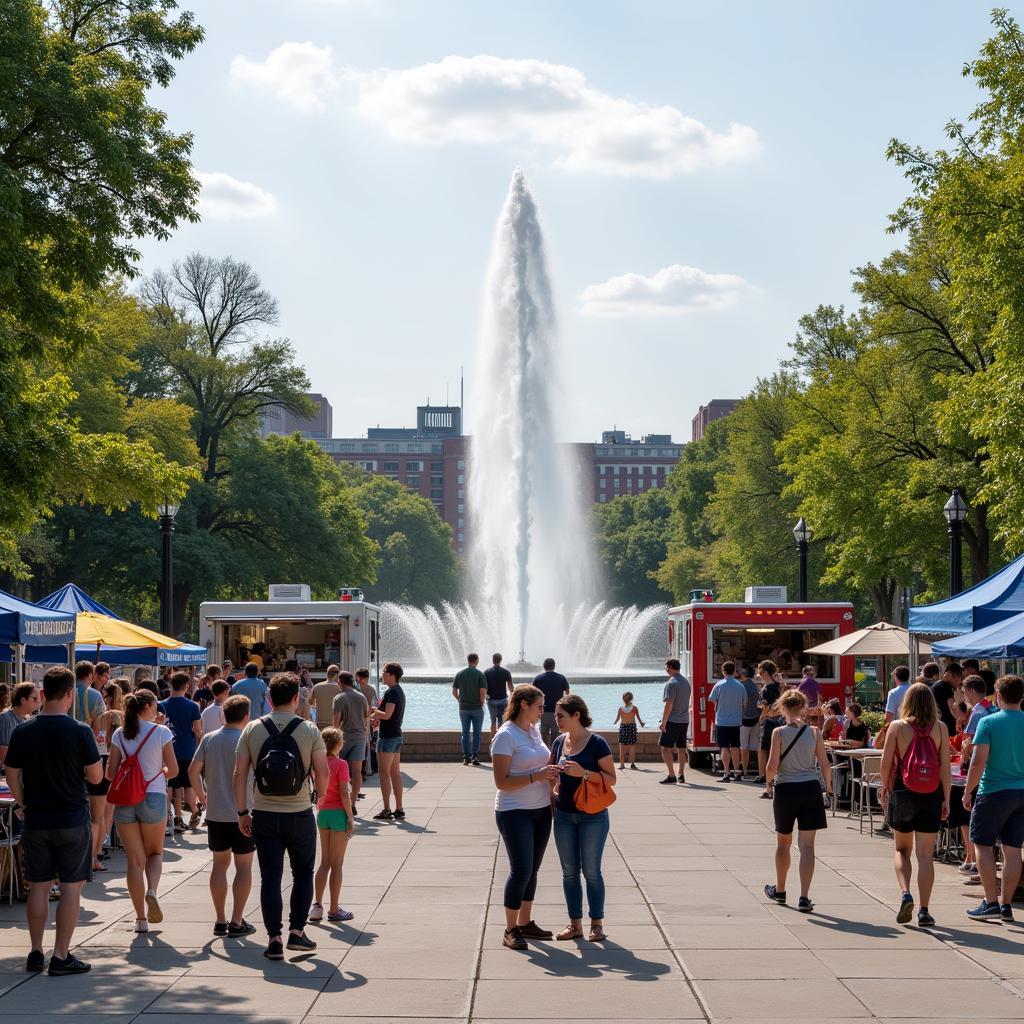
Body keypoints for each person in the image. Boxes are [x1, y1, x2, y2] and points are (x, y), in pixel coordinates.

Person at [4, 667, 102, 975]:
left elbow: (11, 774)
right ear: (71, 694)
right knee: (72, 888)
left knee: (39, 887)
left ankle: (36, 951)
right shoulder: (80, 731)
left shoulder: (23, 730)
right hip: (72, 817)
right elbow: (96, 776)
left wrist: (23, 802)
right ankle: (61, 955)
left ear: (43, 693)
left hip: (37, 819)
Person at [235, 672, 328, 960]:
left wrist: (242, 811)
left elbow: (240, 775)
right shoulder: (309, 729)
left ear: (269, 698)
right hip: (299, 813)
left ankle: (274, 939)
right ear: (295, 698)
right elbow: (322, 772)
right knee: (302, 873)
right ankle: (297, 933)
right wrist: (319, 796)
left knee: (270, 877)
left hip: (263, 814)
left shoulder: (252, 728)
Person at [491, 684, 560, 950]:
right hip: (514, 810)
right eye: (540, 706)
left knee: (532, 871)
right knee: (520, 871)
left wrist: (552, 774)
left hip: (541, 809)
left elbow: (539, 764)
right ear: (523, 705)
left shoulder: (532, 731)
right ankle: (510, 929)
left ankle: (525, 922)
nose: (543, 711)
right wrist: (537, 776)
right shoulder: (506, 736)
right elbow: (501, 781)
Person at [879, 683, 951, 927]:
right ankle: (924, 910)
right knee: (925, 856)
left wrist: (885, 789)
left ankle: (905, 892)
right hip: (931, 794)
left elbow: (886, 763)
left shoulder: (897, 727)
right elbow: (945, 768)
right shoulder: (940, 728)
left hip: (903, 790)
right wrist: (947, 798)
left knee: (901, 850)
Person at [107, 690, 177, 933]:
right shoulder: (161, 732)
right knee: (155, 853)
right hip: (154, 796)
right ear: (148, 706)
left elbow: (110, 773)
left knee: (134, 862)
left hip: (126, 799)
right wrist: (160, 772)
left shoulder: (119, 733)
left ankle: (140, 920)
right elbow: (174, 770)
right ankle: (152, 891)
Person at [188, 694, 256, 936]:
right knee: (244, 867)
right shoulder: (248, 740)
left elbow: (192, 771)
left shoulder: (209, 738)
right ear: (246, 716)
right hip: (244, 811)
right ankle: (237, 921)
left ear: (223, 715)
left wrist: (202, 796)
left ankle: (220, 919)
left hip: (215, 812)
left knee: (219, 865)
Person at [550, 694, 616, 942]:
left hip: (593, 816)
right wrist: (552, 779)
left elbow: (611, 779)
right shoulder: (558, 742)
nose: (556, 720)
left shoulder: (597, 743)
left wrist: (584, 773)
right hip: (564, 815)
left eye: (561, 716)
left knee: (591, 871)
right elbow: (553, 775)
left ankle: (596, 923)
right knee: (568, 872)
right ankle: (574, 923)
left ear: (577, 715)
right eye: (556, 715)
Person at [962, 674, 1024, 921]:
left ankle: (990, 902)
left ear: (998, 696)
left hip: (994, 791)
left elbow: (978, 762)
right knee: (1013, 850)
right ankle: (1006, 905)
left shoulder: (988, 723)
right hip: (1021, 793)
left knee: (983, 845)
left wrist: (968, 791)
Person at [763, 688, 832, 912]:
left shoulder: (779, 733)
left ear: (782, 707)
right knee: (808, 846)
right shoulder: (814, 732)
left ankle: (781, 890)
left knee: (783, 843)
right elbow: (824, 765)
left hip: (786, 789)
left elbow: (772, 766)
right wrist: (829, 788)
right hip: (810, 788)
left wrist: (768, 783)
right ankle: (804, 897)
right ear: (803, 708)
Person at [309, 727, 355, 923]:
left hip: (323, 813)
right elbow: (344, 792)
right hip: (338, 814)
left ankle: (317, 905)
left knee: (324, 861)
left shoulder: (317, 764)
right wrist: (350, 817)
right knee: (337, 864)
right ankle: (334, 909)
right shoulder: (341, 764)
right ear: (338, 744)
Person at [957, 675, 996, 879]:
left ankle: (975, 863)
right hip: (998, 770)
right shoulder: (993, 708)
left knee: (974, 822)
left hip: (981, 772)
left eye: (964, 691)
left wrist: (964, 753)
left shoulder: (978, 712)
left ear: (971, 690)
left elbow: (969, 746)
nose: (963, 695)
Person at [159, 671, 203, 832]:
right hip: (187, 749)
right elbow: (198, 730)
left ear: (170, 685)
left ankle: (172, 817)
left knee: (170, 785)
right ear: (186, 686)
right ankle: (193, 812)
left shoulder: (160, 704)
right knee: (188, 785)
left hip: (166, 750)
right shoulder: (193, 706)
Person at [370, 663, 406, 820]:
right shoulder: (399, 691)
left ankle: (386, 809)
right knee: (395, 774)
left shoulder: (392, 693)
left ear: (392, 675)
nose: (382, 675)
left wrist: (373, 712)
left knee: (384, 774)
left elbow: (387, 715)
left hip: (388, 737)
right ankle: (399, 808)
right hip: (396, 735)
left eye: (384, 672)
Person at [332, 671, 369, 805]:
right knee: (357, 771)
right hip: (360, 737)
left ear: (341, 682)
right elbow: (367, 716)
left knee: (340, 770)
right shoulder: (362, 697)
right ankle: (353, 802)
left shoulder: (339, 698)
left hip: (344, 738)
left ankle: (342, 800)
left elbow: (336, 723)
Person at [709, 661, 745, 781]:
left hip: (722, 721)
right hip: (736, 721)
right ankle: (738, 771)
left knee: (724, 747)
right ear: (734, 671)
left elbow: (713, 700)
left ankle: (726, 772)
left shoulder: (718, 685)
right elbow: (745, 703)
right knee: (735, 746)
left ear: (723, 672)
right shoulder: (740, 686)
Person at [658, 658, 690, 784]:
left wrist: (663, 722)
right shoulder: (686, 682)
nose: (665, 669)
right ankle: (681, 774)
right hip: (684, 719)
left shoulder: (671, 683)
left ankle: (671, 775)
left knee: (665, 748)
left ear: (670, 667)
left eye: (666, 667)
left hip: (673, 720)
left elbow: (669, 704)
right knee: (682, 748)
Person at [453, 653, 487, 766]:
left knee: (465, 732)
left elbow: (454, 692)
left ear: (468, 660)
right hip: (477, 708)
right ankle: (475, 757)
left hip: (463, 708)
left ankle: (466, 757)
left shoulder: (460, 674)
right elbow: (482, 691)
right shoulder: (480, 674)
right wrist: (481, 703)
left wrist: (460, 700)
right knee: (477, 733)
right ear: (476, 660)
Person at [0, 681, 40, 770]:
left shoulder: (25, 720)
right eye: (35, 699)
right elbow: (4, 755)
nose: (38, 702)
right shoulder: (6, 719)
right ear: (23, 700)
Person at [756, 660, 784, 784]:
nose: (759, 675)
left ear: (765, 673)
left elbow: (765, 707)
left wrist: (761, 717)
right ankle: (777, 775)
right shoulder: (780, 686)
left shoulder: (766, 689)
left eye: (760, 672)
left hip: (768, 720)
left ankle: (763, 775)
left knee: (762, 749)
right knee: (777, 749)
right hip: (781, 720)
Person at [533, 658, 570, 748]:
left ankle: (544, 756)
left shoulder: (538, 678)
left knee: (543, 735)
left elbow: (532, 693)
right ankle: (554, 755)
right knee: (555, 735)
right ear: (554, 666)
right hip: (557, 711)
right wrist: (563, 703)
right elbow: (567, 692)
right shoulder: (561, 678)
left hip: (543, 711)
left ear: (544, 666)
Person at [738, 666, 761, 778]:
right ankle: (761, 769)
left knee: (743, 746)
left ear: (743, 674)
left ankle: (745, 770)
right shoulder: (755, 686)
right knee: (755, 746)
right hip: (756, 718)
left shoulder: (742, 686)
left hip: (744, 718)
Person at [356, 668, 378, 778]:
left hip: (357, 720)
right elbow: (375, 706)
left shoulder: (356, 689)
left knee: (361, 746)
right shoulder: (371, 689)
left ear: (358, 677)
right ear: (367, 677)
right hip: (368, 720)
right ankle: (370, 767)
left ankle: (362, 768)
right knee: (370, 745)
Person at [485, 653, 514, 735]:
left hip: (491, 700)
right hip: (503, 700)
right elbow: (510, 687)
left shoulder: (487, 672)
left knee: (493, 721)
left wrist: (485, 696)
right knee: (502, 721)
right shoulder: (506, 672)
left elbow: (484, 687)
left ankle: (493, 741)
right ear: (501, 660)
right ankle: (500, 739)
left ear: (492, 660)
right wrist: (512, 697)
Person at [614, 692, 644, 770]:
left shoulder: (621, 709)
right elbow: (639, 719)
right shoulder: (634, 708)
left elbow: (617, 719)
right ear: (631, 699)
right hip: (631, 727)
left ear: (623, 699)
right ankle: (632, 763)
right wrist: (642, 723)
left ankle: (622, 765)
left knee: (622, 746)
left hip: (623, 727)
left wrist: (614, 722)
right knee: (632, 746)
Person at [931, 662, 962, 737]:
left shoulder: (937, 686)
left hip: (939, 726)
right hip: (946, 728)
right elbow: (953, 708)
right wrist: (961, 718)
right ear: (950, 674)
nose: (960, 680)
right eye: (959, 676)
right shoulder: (945, 688)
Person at [311, 664, 343, 730]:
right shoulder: (340, 688)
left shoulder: (316, 687)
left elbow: (311, 703)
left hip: (320, 723)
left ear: (327, 674)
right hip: (335, 724)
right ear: (337, 674)